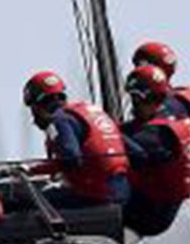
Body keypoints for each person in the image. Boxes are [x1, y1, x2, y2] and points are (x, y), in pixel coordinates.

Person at [23, 69, 130, 209]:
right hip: (123, 192)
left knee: (22, 203)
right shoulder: (92, 112)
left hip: (95, 196)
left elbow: (71, 159)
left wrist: (33, 170)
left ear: (38, 106)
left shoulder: (59, 120)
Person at [120, 63, 190, 236]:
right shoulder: (175, 120)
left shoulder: (156, 135)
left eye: (136, 99)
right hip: (161, 210)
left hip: (148, 217)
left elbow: (121, 144)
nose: (134, 107)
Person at [132, 40, 190, 167]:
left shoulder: (174, 103)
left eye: (140, 65)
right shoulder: (179, 98)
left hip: (165, 169)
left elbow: (153, 135)